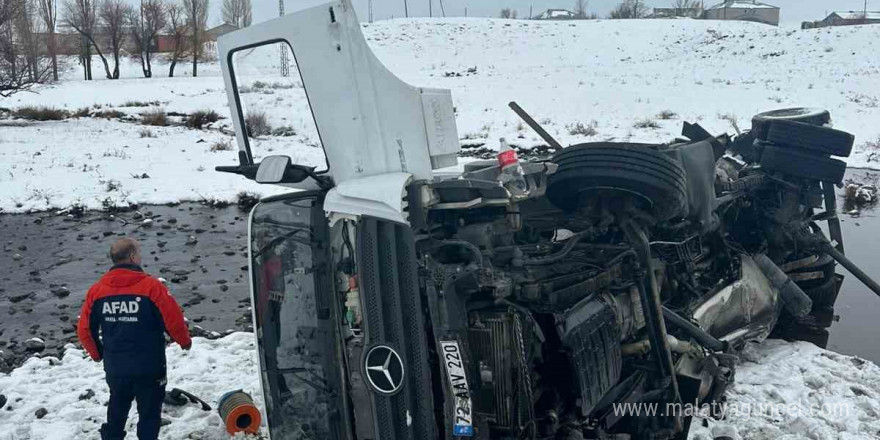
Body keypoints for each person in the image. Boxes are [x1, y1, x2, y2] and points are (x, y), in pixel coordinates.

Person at [77, 237, 192, 440]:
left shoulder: (97, 291)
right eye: (139, 251)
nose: (140, 255)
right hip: (149, 367)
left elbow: (84, 329)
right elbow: (173, 319)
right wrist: (184, 341)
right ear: (132, 257)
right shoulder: (152, 287)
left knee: (117, 409)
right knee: (149, 415)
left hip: (116, 366)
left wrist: (97, 354)